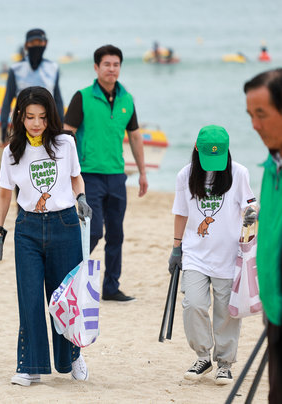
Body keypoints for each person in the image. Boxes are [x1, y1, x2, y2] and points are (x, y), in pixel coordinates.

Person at [0, 86, 92, 386]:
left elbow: (75, 177)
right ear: (20, 116)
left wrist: (81, 197)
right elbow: (4, 195)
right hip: (28, 229)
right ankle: (29, 365)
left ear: (51, 117)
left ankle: (72, 356)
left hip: (65, 224)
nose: (36, 123)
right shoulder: (11, 152)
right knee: (30, 298)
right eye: (30, 117)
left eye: (43, 117)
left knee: (64, 300)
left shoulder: (65, 143)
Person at [168, 125, 257, 385]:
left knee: (225, 312)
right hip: (195, 253)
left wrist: (253, 211)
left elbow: (250, 204)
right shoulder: (185, 175)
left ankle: (225, 363)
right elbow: (181, 213)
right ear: (197, 148)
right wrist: (176, 248)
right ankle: (203, 356)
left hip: (229, 256)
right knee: (193, 304)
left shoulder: (239, 173)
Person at [63, 44, 147, 302]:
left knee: (116, 234)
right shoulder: (82, 97)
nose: (112, 69)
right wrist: (68, 173)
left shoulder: (127, 99)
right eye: (107, 64)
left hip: (116, 175)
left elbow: (134, 136)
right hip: (89, 175)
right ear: (96, 67)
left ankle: (111, 287)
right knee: (94, 231)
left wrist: (142, 172)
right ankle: (71, 277)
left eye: (116, 64)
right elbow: (67, 134)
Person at [244, 68, 282, 403]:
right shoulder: (272, 166)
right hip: (274, 311)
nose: (254, 125)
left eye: (262, 114)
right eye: (250, 115)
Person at [0, 29, 64, 142]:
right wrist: (4, 128)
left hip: (47, 123)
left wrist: (61, 127)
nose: (36, 46)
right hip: (22, 124)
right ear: (26, 45)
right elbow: (7, 99)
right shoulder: (16, 69)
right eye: (32, 43)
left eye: (39, 43)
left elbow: (57, 100)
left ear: (46, 44)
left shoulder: (53, 68)